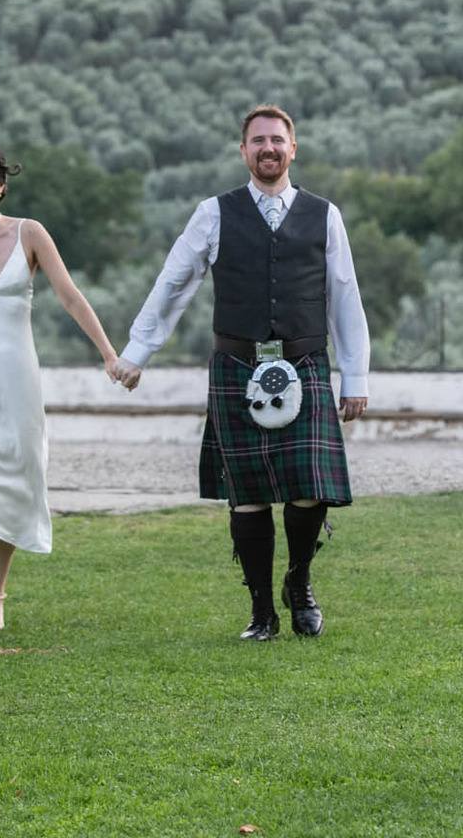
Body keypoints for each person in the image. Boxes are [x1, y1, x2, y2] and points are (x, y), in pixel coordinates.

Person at [113, 105, 370, 640]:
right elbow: (174, 282)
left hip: (306, 362)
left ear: (293, 148)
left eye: (277, 140)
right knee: (248, 494)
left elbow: (345, 296)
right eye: (258, 141)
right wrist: (139, 351)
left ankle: (298, 581)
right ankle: (261, 611)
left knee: (308, 488)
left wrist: (356, 377)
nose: (268, 148)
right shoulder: (213, 213)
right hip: (236, 364)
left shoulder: (325, 214)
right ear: (243, 151)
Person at [0, 140, 126, 635]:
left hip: (16, 374)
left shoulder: (30, 234)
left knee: (14, 479)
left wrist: (108, 353)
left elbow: (69, 295)